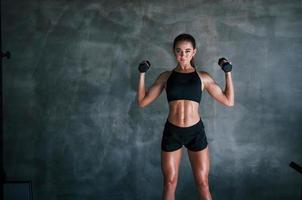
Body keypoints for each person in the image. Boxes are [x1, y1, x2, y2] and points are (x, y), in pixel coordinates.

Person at [136, 33, 234, 200]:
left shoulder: (202, 77)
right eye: (179, 51)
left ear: (194, 52)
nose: (183, 55)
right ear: (174, 52)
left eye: (187, 51)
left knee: (202, 183)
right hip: (172, 132)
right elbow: (142, 102)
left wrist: (228, 73)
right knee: (169, 183)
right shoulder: (166, 77)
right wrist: (142, 74)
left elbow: (228, 101)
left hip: (195, 132)